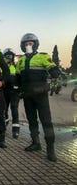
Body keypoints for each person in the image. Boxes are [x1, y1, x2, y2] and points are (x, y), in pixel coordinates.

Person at [16, 33, 60, 162]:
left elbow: (53, 70)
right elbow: (18, 78)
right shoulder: (21, 60)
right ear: (22, 46)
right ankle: (36, 143)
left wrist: (54, 74)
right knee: (32, 120)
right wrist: (18, 90)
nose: (28, 45)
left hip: (41, 95)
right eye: (26, 44)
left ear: (35, 45)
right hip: (28, 96)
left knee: (46, 121)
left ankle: (50, 149)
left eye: (30, 43)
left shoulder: (43, 56)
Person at [3, 48, 20, 138]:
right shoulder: (3, 67)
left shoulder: (17, 66)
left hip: (14, 92)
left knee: (14, 109)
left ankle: (15, 129)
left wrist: (20, 90)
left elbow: (20, 78)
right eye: (7, 56)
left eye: (10, 56)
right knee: (4, 109)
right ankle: (5, 123)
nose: (9, 58)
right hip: (4, 91)